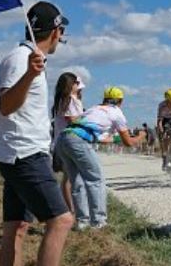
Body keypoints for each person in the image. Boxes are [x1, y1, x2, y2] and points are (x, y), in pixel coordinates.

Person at [0, 0, 73, 266]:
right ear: (55, 31)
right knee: (61, 220)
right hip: (23, 154)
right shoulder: (22, 59)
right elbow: (6, 105)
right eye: (62, 30)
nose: (62, 37)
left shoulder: (26, 58)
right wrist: (29, 74)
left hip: (17, 153)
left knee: (16, 228)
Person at [56, 86, 145, 231]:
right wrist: (141, 136)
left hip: (64, 137)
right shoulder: (117, 113)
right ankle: (98, 223)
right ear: (120, 101)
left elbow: (100, 137)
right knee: (95, 180)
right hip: (79, 140)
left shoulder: (93, 109)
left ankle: (82, 222)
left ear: (104, 99)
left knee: (77, 181)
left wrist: (116, 139)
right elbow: (129, 142)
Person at [51, 72, 85, 216]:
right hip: (69, 141)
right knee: (71, 178)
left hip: (61, 141)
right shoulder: (70, 100)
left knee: (68, 177)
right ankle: (72, 210)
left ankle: (70, 208)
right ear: (71, 85)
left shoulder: (62, 100)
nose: (79, 87)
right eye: (77, 84)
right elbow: (72, 119)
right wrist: (87, 118)